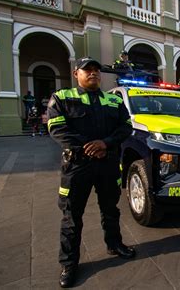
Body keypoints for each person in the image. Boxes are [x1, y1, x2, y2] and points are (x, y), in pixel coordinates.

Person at [47, 57, 134, 288]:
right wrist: (90, 147)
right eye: (87, 70)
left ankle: (114, 244)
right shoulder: (63, 98)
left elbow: (126, 126)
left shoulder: (113, 100)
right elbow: (56, 128)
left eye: (96, 70)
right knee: (71, 216)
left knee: (111, 209)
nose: (93, 73)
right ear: (77, 74)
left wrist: (105, 143)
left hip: (107, 164)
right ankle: (69, 263)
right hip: (77, 167)